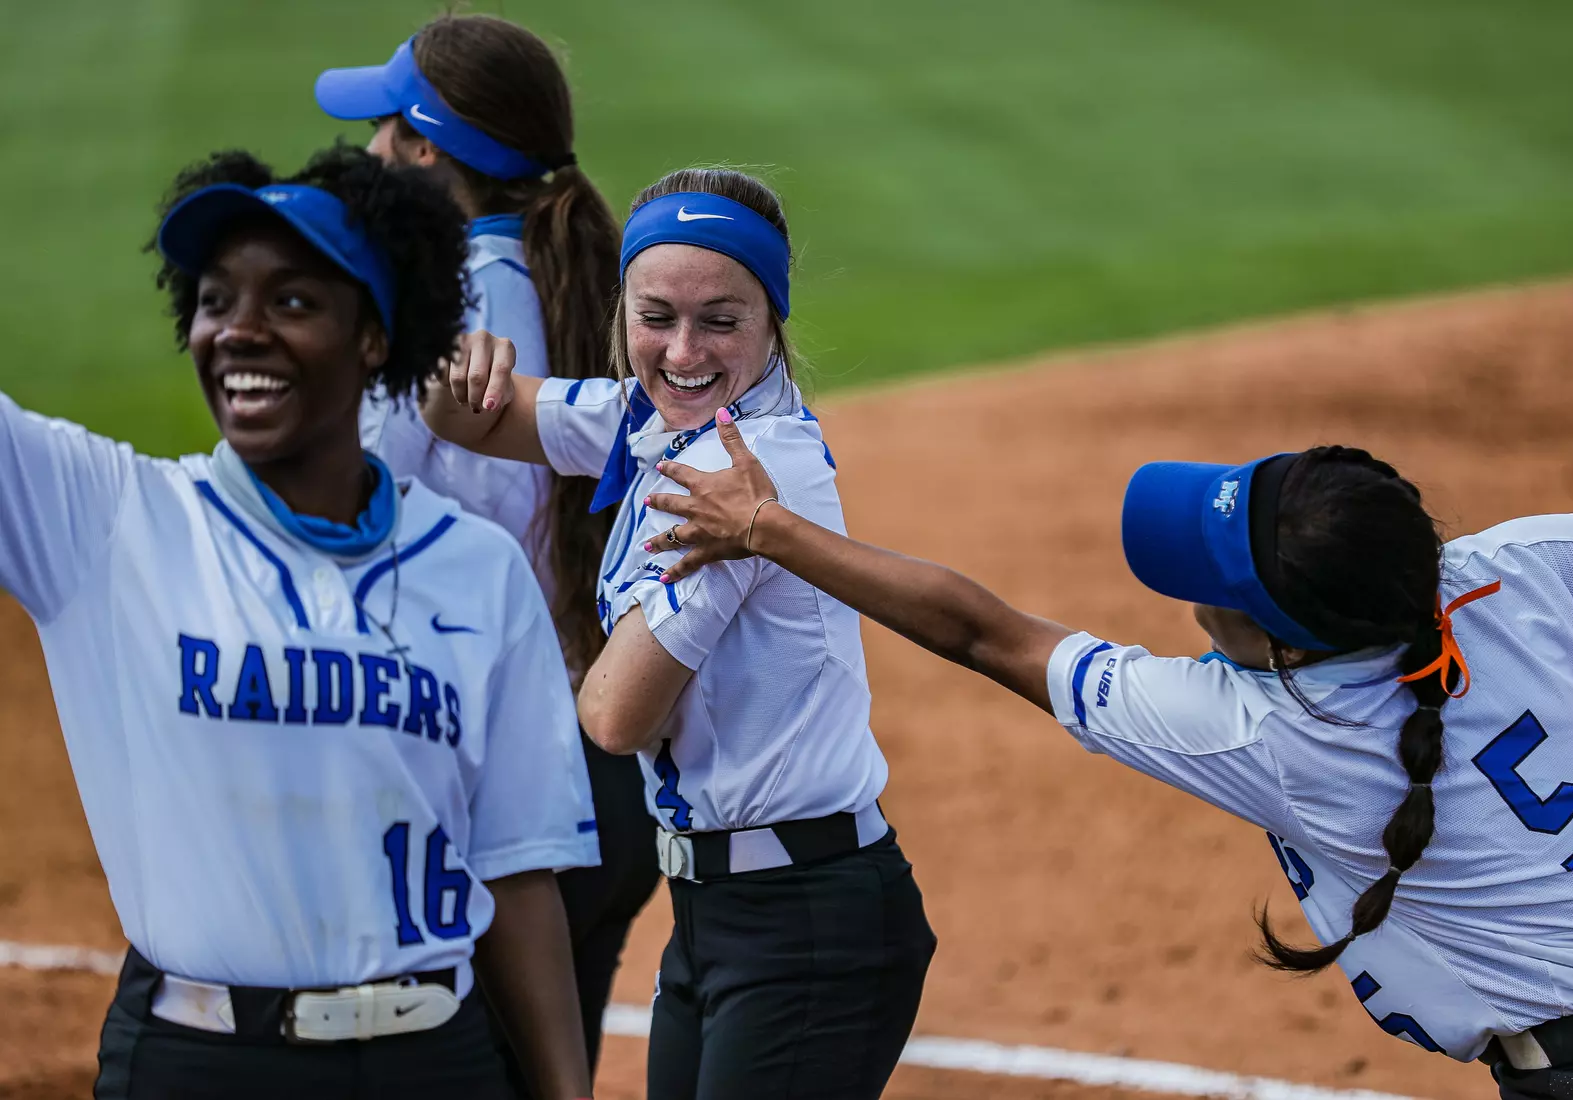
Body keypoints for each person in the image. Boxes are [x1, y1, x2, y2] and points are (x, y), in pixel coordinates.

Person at [644, 424, 1573, 1099]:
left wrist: (768, 528)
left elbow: (985, 634)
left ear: (1285, 645)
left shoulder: (1271, 731)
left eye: (1209, 591)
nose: (1190, 606)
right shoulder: (1507, 573)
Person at [2, 145, 596, 1100]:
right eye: (215, 300)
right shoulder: (112, 521)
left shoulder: (477, 570)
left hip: (431, 1063)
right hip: (202, 1066)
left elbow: (520, 875)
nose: (238, 331)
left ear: (374, 337)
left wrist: (567, 1093)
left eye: (290, 301)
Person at [422, 167, 937, 1099]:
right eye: (655, 316)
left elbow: (614, 717)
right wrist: (458, 360)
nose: (683, 349)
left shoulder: (744, 478)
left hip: (809, 922)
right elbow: (461, 416)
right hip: (718, 910)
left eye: (721, 320)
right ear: (622, 313)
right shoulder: (648, 420)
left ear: (773, 320)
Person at [312, 14, 659, 1071]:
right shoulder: (590, 281)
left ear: (424, 150)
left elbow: (349, 529)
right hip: (613, 777)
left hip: (502, 799)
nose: (368, 151)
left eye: (385, 128)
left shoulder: (455, 322)